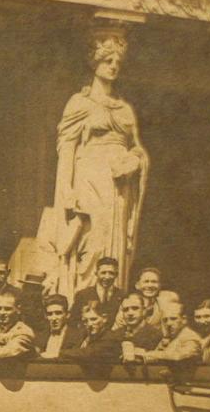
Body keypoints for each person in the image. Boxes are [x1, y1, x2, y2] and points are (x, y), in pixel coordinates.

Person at [49, 26, 149, 298]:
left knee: (112, 242)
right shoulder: (79, 103)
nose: (114, 66)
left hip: (118, 186)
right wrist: (67, 190)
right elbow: (67, 148)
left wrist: (134, 161)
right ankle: (82, 300)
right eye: (108, 60)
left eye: (118, 62)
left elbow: (137, 148)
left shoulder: (124, 109)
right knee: (90, 241)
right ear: (95, 62)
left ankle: (111, 300)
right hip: (89, 178)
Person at [125, 301, 203, 364]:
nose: (168, 323)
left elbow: (178, 356)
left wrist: (146, 353)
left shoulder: (190, 337)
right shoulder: (171, 337)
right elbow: (158, 357)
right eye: (165, 320)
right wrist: (137, 357)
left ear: (184, 319)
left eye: (173, 319)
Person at [69, 256, 123, 327]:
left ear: (116, 275)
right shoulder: (83, 295)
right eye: (103, 273)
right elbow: (73, 322)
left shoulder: (122, 295)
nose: (107, 277)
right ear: (96, 273)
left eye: (111, 273)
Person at [35, 294, 83, 358]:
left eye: (58, 313)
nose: (54, 318)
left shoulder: (78, 336)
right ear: (45, 316)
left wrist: (58, 354)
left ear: (67, 314)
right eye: (50, 314)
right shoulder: (39, 337)